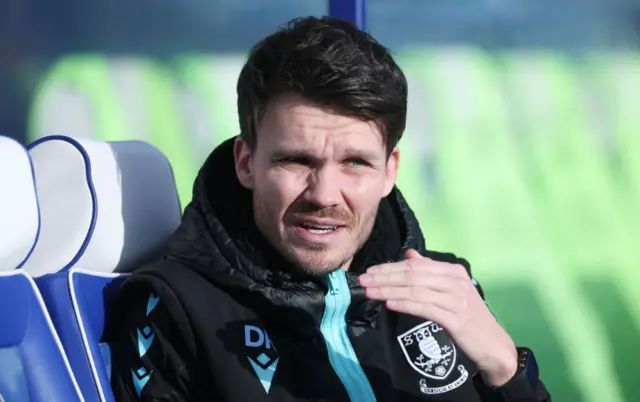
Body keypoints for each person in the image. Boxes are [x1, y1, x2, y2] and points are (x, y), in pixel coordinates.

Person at [108, 16, 551, 402]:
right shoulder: (175, 307)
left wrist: (506, 369)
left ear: (389, 171)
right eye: (296, 160)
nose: (324, 194)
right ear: (246, 163)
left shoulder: (446, 288)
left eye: (355, 163)